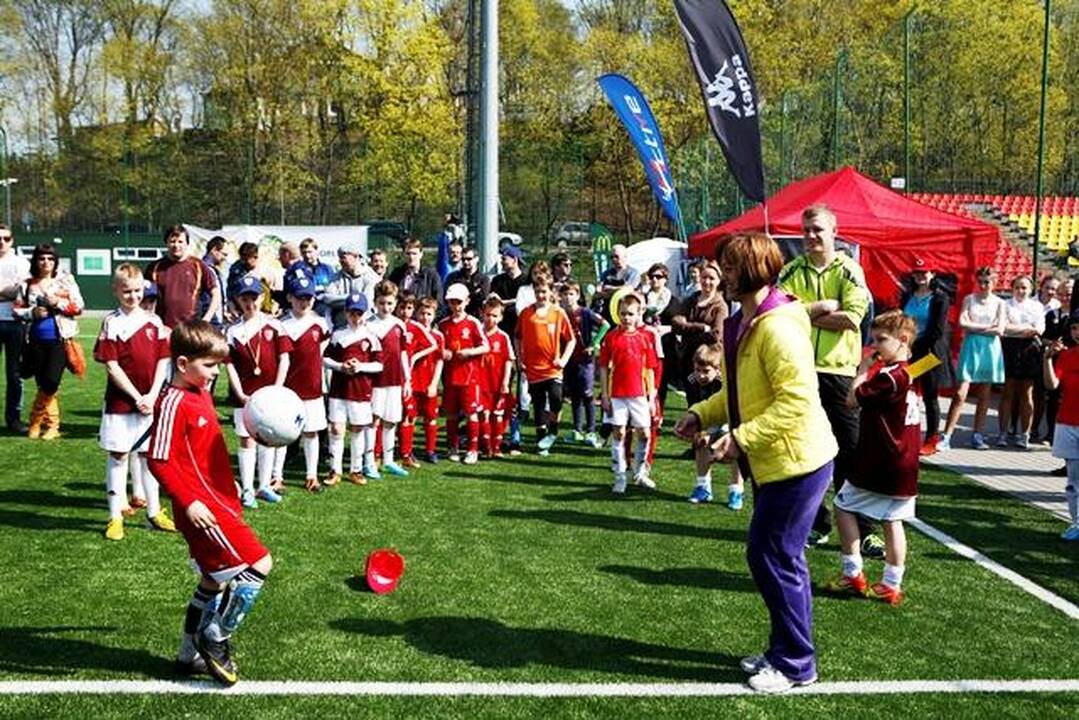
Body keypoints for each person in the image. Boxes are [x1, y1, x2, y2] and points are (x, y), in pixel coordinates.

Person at [674, 232, 837, 694]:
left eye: (727, 267)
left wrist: (739, 440)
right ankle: (784, 649)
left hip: (798, 462)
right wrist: (700, 413)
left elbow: (796, 405)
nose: (718, 274)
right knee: (771, 556)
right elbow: (742, 393)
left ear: (751, 271)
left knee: (776, 556)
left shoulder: (778, 328)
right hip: (776, 461)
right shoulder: (748, 319)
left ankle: (796, 663)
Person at [146, 320, 273, 687]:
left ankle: (187, 656)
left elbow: (199, 451)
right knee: (260, 562)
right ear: (183, 364)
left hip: (217, 498)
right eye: (209, 365)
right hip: (202, 509)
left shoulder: (199, 392)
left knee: (212, 581)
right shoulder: (173, 401)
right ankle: (214, 636)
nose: (215, 372)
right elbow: (159, 459)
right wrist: (189, 502)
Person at [778, 205, 874, 552]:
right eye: (805, 230)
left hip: (839, 373)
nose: (810, 236)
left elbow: (852, 319)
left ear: (834, 231)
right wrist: (822, 307)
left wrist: (803, 313)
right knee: (801, 452)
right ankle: (815, 524)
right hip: (799, 372)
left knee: (851, 453)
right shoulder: (790, 271)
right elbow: (778, 315)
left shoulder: (850, 270)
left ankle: (866, 530)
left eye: (817, 229)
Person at [823, 310, 921, 606]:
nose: (875, 345)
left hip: (881, 459)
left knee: (842, 506)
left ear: (902, 340)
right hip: (905, 461)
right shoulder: (911, 372)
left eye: (881, 339)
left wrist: (862, 370)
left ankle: (853, 572)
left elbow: (851, 400)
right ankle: (892, 583)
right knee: (893, 519)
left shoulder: (890, 378)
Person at [93, 263, 175, 540]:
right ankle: (115, 516)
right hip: (120, 403)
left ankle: (154, 513)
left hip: (149, 403)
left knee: (147, 457)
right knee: (118, 455)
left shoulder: (154, 322)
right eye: (126, 291)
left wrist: (152, 395)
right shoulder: (111, 322)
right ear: (116, 291)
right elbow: (112, 366)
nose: (133, 296)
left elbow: (164, 359)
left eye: (138, 290)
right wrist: (137, 396)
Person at [224, 276, 293, 506]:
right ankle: (247, 489)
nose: (250, 303)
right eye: (245, 298)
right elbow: (230, 365)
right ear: (238, 300)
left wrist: (277, 389)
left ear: (262, 297)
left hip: (271, 396)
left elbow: (284, 359)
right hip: (245, 397)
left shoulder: (274, 325)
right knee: (247, 441)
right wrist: (240, 392)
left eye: (254, 297)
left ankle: (263, 485)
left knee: (268, 439)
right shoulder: (233, 331)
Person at [15, 243, 84, 439]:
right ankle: (49, 426)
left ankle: (37, 419)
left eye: (50, 259)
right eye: (42, 258)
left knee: (52, 382)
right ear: (36, 261)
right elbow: (17, 310)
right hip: (34, 340)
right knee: (42, 383)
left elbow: (79, 306)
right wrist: (32, 312)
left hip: (60, 340)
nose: (46, 262)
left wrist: (59, 303)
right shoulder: (27, 284)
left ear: (56, 262)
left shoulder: (66, 281)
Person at [939, 267, 1006, 450]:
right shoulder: (969, 299)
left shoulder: (1000, 303)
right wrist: (986, 328)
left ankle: (978, 434)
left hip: (991, 349)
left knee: (984, 394)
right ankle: (947, 435)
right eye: (981, 281)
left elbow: (999, 329)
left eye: (987, 281)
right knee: (960, 394)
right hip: (971, 348)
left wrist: (974, 327)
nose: (984, 285)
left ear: (994, 282)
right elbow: (962, 323)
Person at [599, 292, 658, 494]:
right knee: (620, 432)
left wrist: (651, 398)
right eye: (623, 313)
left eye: (630, 314)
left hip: (639, 395)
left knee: (644, 433)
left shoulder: (644, 339)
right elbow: (604, 368)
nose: (626, 318)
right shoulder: (611, 338)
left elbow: (649, 369)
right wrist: (605, 395)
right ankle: (620, 476)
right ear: (618, 314)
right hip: (617, 395)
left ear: (638, 314)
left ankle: (640, 472)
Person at [324, 292, 383, 485]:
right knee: (336, 429)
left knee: (357, 429)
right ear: (346, 313)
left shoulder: (372, 338)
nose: (355, 318)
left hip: (360, 391)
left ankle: (356, 469)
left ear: (365, 313)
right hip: (339, 390)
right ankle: (335, 470)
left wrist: (360, 367)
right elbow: (325, 359)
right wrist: (341, 366)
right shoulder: (338, 335)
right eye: (352, 313)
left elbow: (379, 365)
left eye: (359, 313)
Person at [280, 274, 331, 493]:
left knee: (311, 432)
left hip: (313, 389)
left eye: (308, 297)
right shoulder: (282, 324)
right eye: (300, 297)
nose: (305, 302)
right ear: (290, 298)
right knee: (282, 434)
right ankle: (276, 476)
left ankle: (311, 475)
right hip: (288, 390)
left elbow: (326, 343)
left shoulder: (320, 323)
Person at [900, 258, 954, 456]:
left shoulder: (940, 298)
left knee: (930, 397)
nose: (920, 276)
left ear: (933, 274)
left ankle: (932, 438)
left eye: (924, 272)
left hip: (928, 354)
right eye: (917, 272)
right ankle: (906, 432)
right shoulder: (907, 295)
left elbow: (936, 331)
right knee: (906, 393)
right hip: (908, 352)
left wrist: (912, 345)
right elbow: (901, 321)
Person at [516, 276, 576, 455]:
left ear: (551, 292)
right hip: (533, 369)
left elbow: (571, 340)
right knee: (539, 404)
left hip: (553, 369)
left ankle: (554, 430)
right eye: (537, 292)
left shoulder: (558, 313)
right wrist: (520, 359)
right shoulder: (526, 313)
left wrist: (563, 360)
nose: (540, 295)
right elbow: (517, 336)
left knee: (556, 398)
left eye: (544, 291)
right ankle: (541, 440)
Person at [685, 343, 744, 510]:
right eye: (697, 370)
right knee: (700, 442)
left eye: (706, 371)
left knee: (736, 447)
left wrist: (723, 431)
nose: (700, 375)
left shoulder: (724, 382)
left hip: (730, 419)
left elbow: (731, 408)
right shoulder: (691, 381)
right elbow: (694, 405)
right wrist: (700, 429)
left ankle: (736, 490)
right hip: (708, 418)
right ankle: (703, 486)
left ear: (718, 370)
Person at [439, 283, 489, 464]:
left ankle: (472, 450)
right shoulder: (443, 324)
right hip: (450, 377)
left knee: (471, 413)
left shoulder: (473, 323)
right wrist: (443, 352)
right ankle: (452, 447)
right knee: (451, 414)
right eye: (452, 302)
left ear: (467, 302)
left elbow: (485, 346)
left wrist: (469, 352)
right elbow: (439, 346)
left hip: (470, 377)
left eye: (458, 302)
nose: (455, 306)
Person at [367, 280, 411, 478]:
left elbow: (402, 353)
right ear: (375, 302)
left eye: (390, 303)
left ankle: (388, 460)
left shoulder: (399, 324)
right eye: (382, 303)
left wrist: (407, 379)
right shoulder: (368, 325)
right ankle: (369, 461)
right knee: (373, 420)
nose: (386, 307)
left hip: (394, 381)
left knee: (391, 420)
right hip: (375, 382)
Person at [995, 276, 1044, 449]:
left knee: (1027, 393)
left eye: (1024, 288)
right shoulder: (1005, 305)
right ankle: (1002, 433)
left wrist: (1017, 330)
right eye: (1017, 287)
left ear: (1030, 289)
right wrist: (1026, 329)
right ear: (1012, 288)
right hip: (1008, 348)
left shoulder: (1037, 307)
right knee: (1007, 392)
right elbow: (1003, 328)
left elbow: (1039, 329)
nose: (1020, 291)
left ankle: (1024, 435)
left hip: (1029, 350)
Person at [672, 261, 728, 406]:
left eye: (711, 278)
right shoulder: (690, 300)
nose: (707, 282)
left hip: (710, 361)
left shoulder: (720, 306)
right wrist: (701, 327)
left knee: (711, 398)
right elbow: (676, 323)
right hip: (688, 359)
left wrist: (687, 328)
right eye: (704, 277)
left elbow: (716, 335)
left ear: (718, 281)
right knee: (692, 398)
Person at [1043, 310, 1079, 540]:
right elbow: (1051, 384)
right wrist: (1047, 358)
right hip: (1067, 424)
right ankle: (1076, 523)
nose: (1078, 332)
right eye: (1075, 328)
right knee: (1074, 481)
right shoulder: (1067, 356)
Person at [561, 280, 608, 447]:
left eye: (571, 294)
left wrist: (594, 343)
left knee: (587, 394)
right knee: (574, 395)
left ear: (578, 295)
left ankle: (591, 430)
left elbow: (605, 325)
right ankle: (577, 429)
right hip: (568, 360)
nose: (568, 298)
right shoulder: (560, 314)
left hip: (585, 360)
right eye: (565, 294)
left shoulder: (585, 313)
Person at [146, 225, 221, 328]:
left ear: (187, 243)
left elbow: (216, 294)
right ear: (166, 243)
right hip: (163, 329)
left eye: (180, 242)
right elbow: (145, 298)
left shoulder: (199, 265)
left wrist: (206, 320)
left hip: (191, 330)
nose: (176, 245)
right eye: (172, 241)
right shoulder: (155, 268)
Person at [396, 292, 438, 468]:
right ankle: (379, 453)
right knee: (385, 417)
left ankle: (407, 452)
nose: (406, 312)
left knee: (408, 415)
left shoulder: (415, 327)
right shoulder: (391, 324)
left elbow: (433, 345)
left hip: (409, 379)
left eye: (409, 308)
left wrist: (414, 357)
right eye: (403, 308)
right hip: (389, 377)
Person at [0, 223, 31, 432]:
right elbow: (11, 290)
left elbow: (21, 291)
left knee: (15, 374)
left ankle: (14, 418)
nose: (1, 242)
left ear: (12, 240)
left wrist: (7, 292)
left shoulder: (21, 263)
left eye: (6, 238)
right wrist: (7, 291)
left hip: (15, 322)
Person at [479, 296, 515, 457]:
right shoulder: (478, 334)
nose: (490, 319)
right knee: (484, 413)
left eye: (494, 315)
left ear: (500, 317)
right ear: (482, 314)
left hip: (497, 382)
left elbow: (508, 360)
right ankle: (487, 447)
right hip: (481, 382)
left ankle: (497, 446)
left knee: (498, 414)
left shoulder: (503, 337)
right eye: (488, 315)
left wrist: (506, 382)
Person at [411, 297, 444, 463]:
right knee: (410, 417)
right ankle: (407, 451)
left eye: (429, 314)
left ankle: (430, 450)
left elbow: (439, 361)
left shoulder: (438, 336)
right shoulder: (412, 333)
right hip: (413, 382)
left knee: (431, 417)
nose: (425, 317)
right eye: (422, 313)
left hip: (429, 383)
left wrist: (434, 383)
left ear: (434, 315)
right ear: (416, 314)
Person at [1035, 275, 1067, 444]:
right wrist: (1053, 345)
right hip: (1054, 361)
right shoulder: (1052, 314)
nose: (1065, 297)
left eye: (1069, 294)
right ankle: (1050, 433)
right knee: (1052, 397)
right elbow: (1044, 337)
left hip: (1071, 361)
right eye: (1062, 294)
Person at [325, 241, 379, 328]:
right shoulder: (336, 277)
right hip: (340, 326)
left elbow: (367, 303)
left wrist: (342, 300)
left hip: (364, 326)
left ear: (356, 257)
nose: (341, 261)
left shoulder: (371, 277)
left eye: (344, 257)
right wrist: (353, 299)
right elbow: (328, 298)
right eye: (340, 258)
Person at [445, 246, 491, 317]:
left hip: (476, 316)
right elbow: (447, 297)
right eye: (463, 259)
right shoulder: (453, 277)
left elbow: (482, 298)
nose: (466, 262)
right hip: (456, 315)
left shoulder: (483, 279)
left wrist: (461, 295)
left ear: (476, 259)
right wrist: (474, 292)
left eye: (469, 259)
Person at [201, 236, 230, 327]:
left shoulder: (210, 269)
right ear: (214, 250)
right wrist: (208, 319)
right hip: (210, 322)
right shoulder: (205, 269)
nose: (224, 258)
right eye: (224, 254)